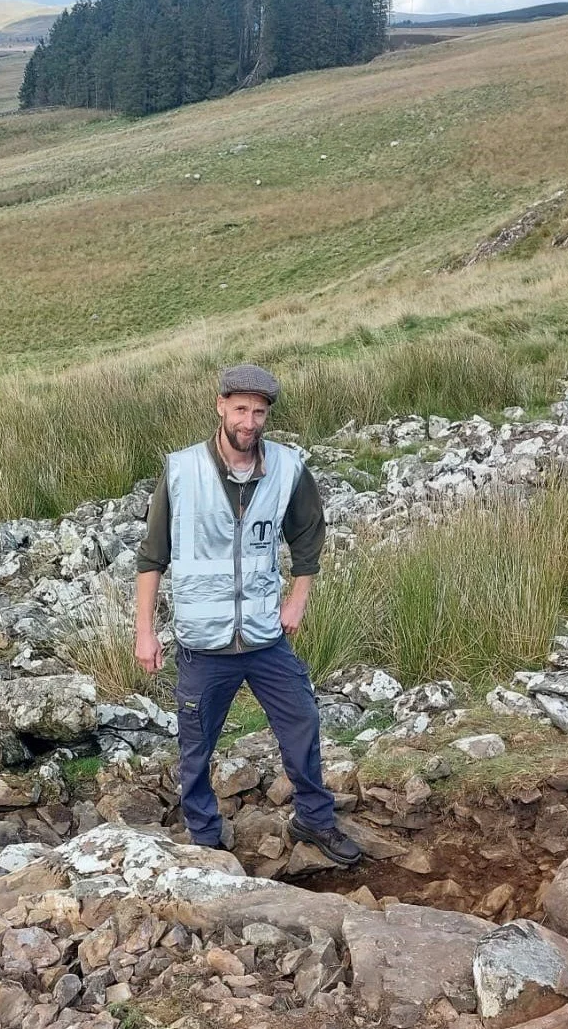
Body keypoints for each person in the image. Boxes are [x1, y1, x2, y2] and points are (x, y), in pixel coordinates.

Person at [134, 363, 363, 866]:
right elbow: (152, 557)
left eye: (259, 412)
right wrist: (144, 632)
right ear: (220, 407)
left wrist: (297, 597)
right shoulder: (181, 470)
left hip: (264, 637)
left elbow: (309, 539)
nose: (250, 421)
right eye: (241, 409)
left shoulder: (287, 467)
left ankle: (314, 821)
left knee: (302, 721)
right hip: (202, 643)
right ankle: (204, 834)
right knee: (195, 748)